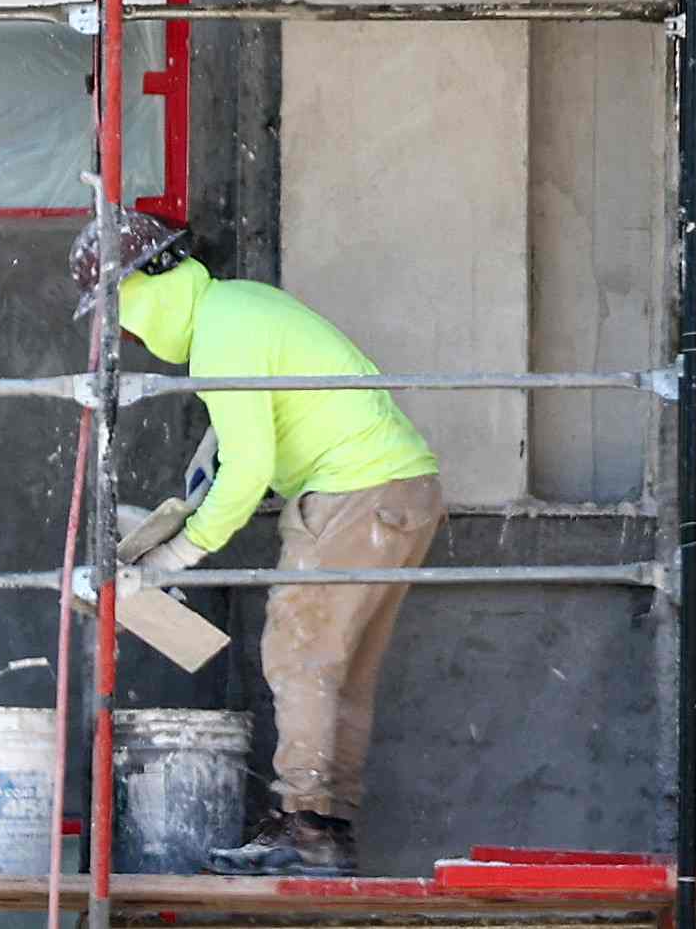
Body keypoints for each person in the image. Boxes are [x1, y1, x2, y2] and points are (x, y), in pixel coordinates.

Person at [85, 209, 444, 880]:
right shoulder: (239, 308)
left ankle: (306, 827)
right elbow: (236, 451)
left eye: (119, 310)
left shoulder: (223, 334)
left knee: (299, 654)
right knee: (340, 670)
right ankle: (324, 827)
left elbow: (248, 470)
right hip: (401, 493)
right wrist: (182, 508)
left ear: (140, 287)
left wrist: (178, 553)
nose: (124, 331)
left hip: (353, 493)